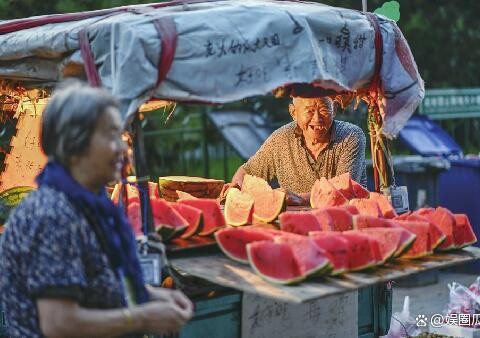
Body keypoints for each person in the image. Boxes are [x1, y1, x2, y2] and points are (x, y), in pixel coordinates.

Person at [0, 81, 193, 337]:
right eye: (111, 136)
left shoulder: (89, 207)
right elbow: (59, 323)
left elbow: (98, 284)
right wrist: (142, 317)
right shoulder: (53, 215)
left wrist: (152, 296)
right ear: (76, 146)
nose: (124, 147)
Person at [232, 96, 367, 204]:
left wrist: (299, 199)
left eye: (324, 109)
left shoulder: (352, 136)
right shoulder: (280, 138)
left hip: (344, 222)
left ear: (334, 110)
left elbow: (344, 189)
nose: (317, 118)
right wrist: (235, 190)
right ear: (293, 112)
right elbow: (247, 171)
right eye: (309, 111)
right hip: (293, 225)